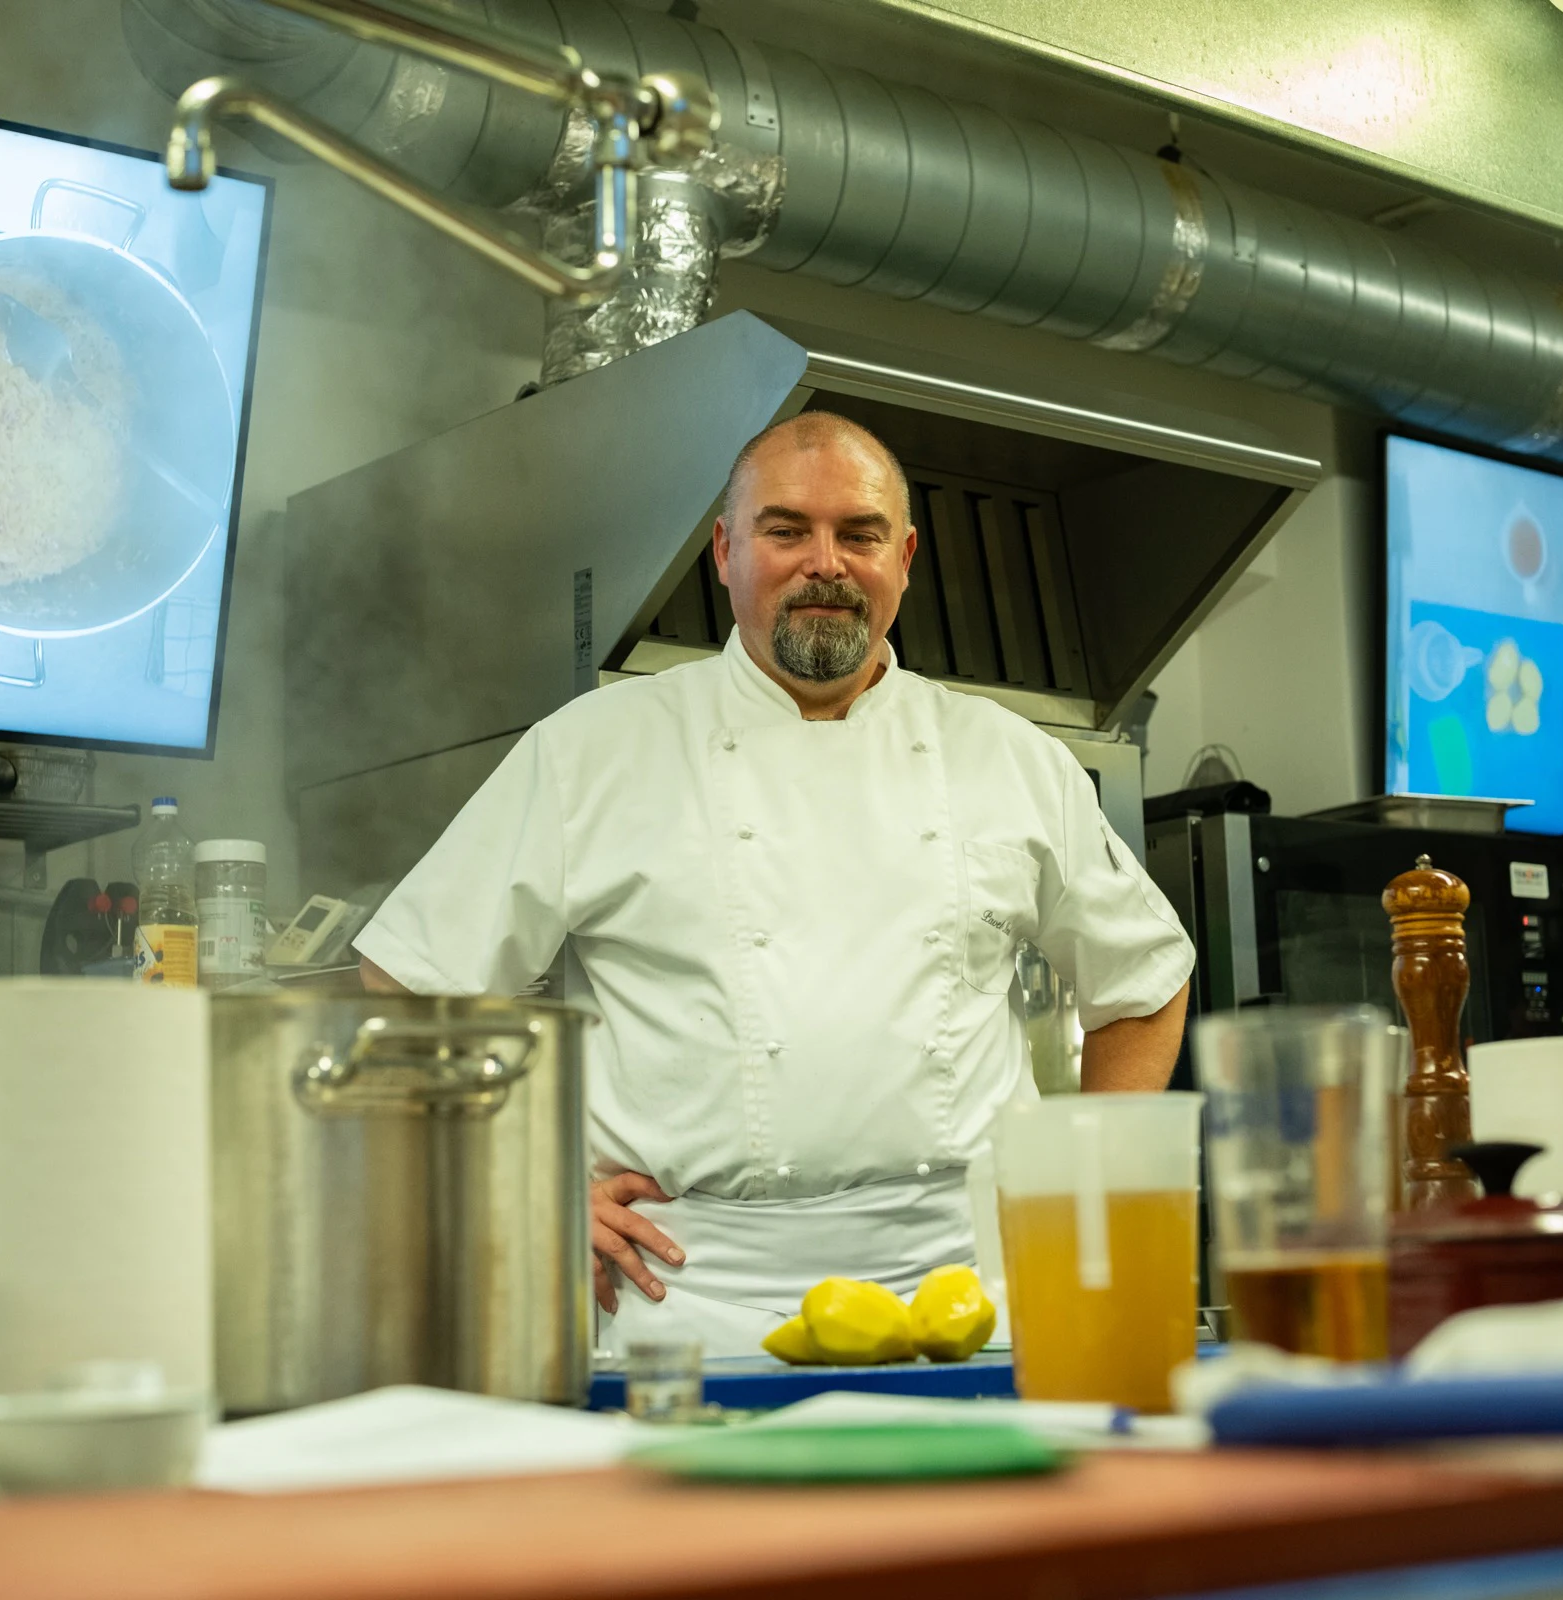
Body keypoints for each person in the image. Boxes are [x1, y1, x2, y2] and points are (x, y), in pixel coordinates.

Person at [356, 412, 1195, 1355]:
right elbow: (408, 987)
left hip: (973, 1291)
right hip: (687, 1294)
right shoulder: (592, 750)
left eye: (860, 534)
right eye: (786, 530)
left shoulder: (1007, 756)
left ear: (905, 558)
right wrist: (518, 1176)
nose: (824, 563)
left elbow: (1144, 981)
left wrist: (1084, 1182)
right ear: (726, 552)